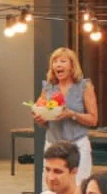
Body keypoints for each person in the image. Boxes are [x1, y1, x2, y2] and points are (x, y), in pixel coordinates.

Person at [33, 47, 98, 184]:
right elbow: (44, 120)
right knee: (51, 187)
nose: (58, 65)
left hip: (77, 146)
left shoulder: (84, 86)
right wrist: (39, 119)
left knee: (78, 187)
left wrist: (72, 114)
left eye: (63, 61)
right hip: (52, 146)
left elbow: (93, 120)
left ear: (72, 66)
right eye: (55, 61)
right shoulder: (48, 88)